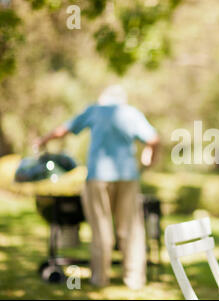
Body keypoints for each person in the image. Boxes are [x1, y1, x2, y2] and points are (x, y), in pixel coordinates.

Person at [34, 85, 160, 290]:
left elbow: (63, 129)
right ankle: (135, 280)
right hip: (128, 175)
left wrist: (42, 140)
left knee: (101, 228)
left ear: (103, 99)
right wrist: (148, 159)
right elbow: (153, 139)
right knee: (131, 228)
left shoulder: (95, 110)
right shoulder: (131, 113)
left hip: (98, 177)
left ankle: (100, 278)